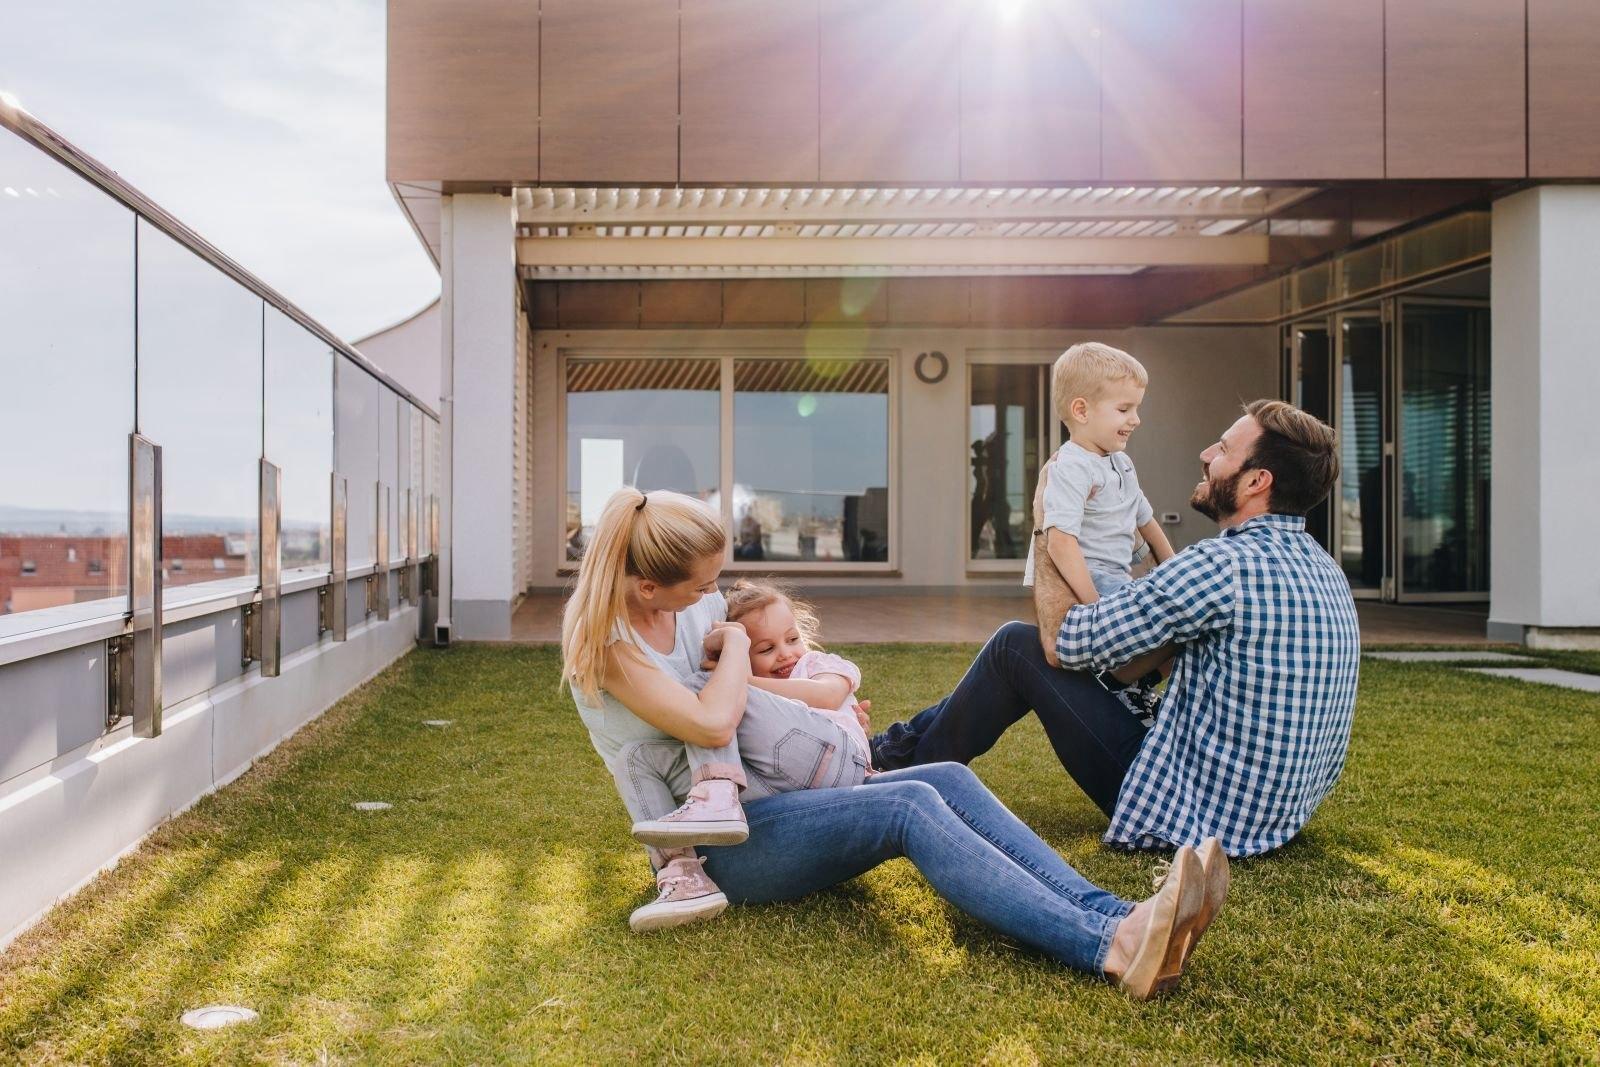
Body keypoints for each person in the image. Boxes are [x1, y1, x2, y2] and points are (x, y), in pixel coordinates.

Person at [561, 486, 1230, 998]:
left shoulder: (689, 604)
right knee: (906, 805)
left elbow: (751, 692)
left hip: (773, 791)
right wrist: (737, 643)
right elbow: (710, 722)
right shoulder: (608, 645)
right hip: (722, 842)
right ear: (648, 585)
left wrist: (816, 709)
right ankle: (1111, 944)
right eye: (702, 587)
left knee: (947, 777)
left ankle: (1118, 912)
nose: (715, 598)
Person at [872, 400, 1361, 858]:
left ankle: (901, 780)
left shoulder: (1222, 566)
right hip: (1270, 817)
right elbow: (1138, 653)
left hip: (1192, 817)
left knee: (1015, 649)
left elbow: (1064, 642)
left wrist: (1051, 525)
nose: (1206, 454)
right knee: (1093, 669)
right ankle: (889, 751)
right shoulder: (1323, 567)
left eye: (1224, 450)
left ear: (1257, 481)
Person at [1023, 342, 1176, 717]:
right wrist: (1095, 607)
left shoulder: (1121, 463)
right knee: (1170, 626)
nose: (1135, 419)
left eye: (1136, 408)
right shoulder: (1072, 466)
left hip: (1119, 577)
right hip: (1092, 582)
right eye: (1124, 409)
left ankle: (1129, 687)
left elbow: (1146, 521)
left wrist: (1175, 571)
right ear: (1081, 410)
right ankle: (1119, 688)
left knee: (1181, 626)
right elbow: (1060, 542)